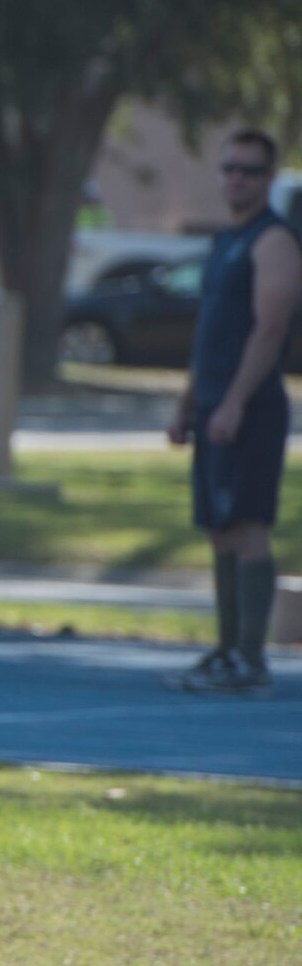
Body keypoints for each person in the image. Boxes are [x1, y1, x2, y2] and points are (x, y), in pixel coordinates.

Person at [165, 127, 302, 696]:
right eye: (229, 168)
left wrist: (236, 402)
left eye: (248, 169)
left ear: (268, 177)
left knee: (247, 529)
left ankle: (251, 660)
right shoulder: (225, 240)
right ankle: (225, 653)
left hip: (251, 406)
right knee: (219, 530)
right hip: (216, 404)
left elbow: (269, 329)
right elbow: (210, 334)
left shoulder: (274, 241)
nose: (236, 178)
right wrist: (188, 403)